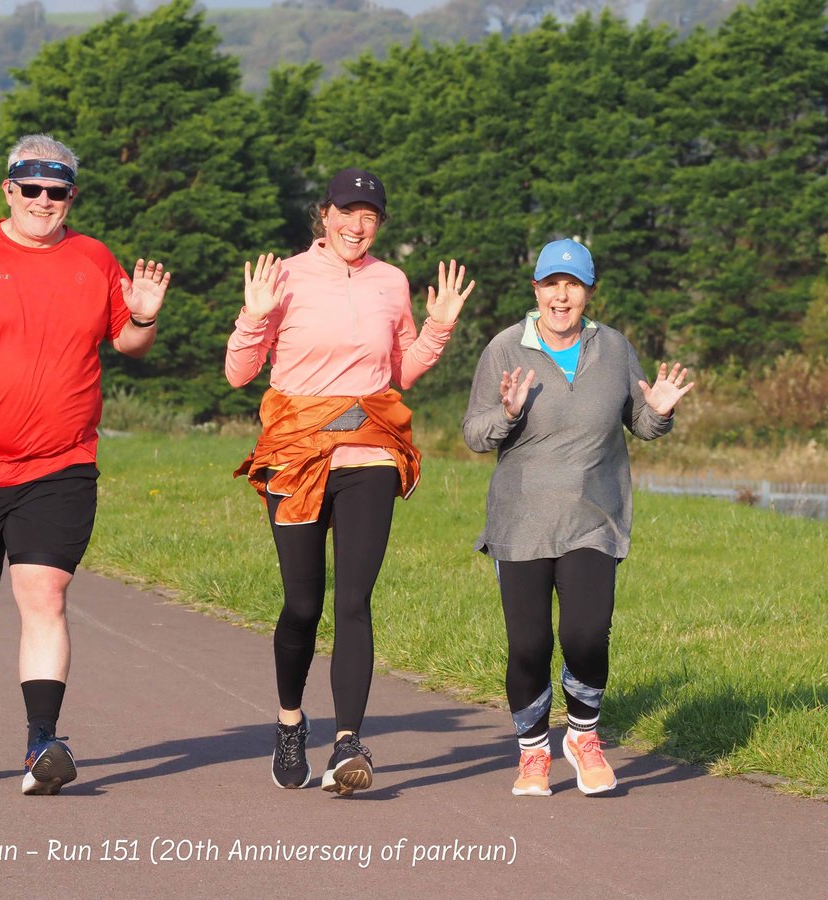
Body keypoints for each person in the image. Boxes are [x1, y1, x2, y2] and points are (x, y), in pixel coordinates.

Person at [0, 133, 170, 795]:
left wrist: (144, 318)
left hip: (60, 463)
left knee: (45, 594)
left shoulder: (92, 258)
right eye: (32, 189)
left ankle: (42, 743)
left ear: (70, 196)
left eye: (58, 191)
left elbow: (128, 342)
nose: (44, 202)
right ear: (8, 190)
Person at [226, 167, 474, 795]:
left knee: (354, 602)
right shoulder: (282, 277)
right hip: (296, 452)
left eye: (369, 216)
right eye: (347, 212)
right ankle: (289, 723)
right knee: (302, 605)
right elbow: (238, 373)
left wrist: (439, 325)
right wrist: (255, 318)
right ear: (325, 215)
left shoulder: (392, 282)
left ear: (379, 223)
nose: (357, 226)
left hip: (369, 450)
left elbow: (403, 370)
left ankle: (346, 744)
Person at [462, 238, 692, 797]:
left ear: (588, 292)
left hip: (594, 515)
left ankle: (584, 736)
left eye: (573, 285)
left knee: (587, 634)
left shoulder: (614, 349)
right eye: (551, 284)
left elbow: (638, 420)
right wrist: (508, 414)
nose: (560, 296)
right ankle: (533, 752)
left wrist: (658, 411)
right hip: (522, 521)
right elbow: (474, 434)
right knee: (529, 646)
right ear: (535, 289)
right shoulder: (503, 349)